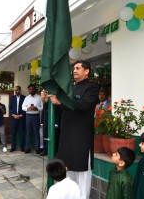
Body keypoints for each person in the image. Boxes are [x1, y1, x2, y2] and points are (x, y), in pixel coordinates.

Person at [48, 60, 99, 199]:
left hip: (81, 136)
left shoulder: (92, 88)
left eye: (78, 68)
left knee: (82, 173)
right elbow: (62, 108)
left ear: (87, 71)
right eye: (73, 68)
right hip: (67, 135)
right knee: (67, 170)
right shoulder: (70, 88)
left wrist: (62, 101)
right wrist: (50, 102)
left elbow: (84, 105)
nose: (74, 71)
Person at [22, 84, 43, 154]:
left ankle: (37, 148)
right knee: (28, 132)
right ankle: (28, 148)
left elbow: (42, 107)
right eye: (30, 89)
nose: (31, 90)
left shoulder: (39, 97)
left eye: (32, 89)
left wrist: (37, 108)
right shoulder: (27, 98)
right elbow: (23, 107)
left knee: (37, 132)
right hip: (28, 116)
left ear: (35, 89)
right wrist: (27, 108)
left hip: (36, 116)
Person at [41, 90, 61, 156]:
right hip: (46, 120)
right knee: (45, 135)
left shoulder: (57, 95)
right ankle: (46, 150)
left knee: (54, 136)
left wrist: (56, 123)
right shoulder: (46, 95)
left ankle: (54, 151)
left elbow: (58, 111)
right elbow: (44, 110)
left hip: (54, 120)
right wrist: (42, 122)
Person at [9, 86, 26, 152]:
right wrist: (13, 115)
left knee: (21, 133)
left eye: (17, 90)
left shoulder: (24, 98)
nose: (16, 91)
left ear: (20, 90)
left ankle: (22, 147)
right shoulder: (12, 98)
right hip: (13, 119)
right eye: (15, 90)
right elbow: (10, 108)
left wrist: (20, 115)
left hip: (21, 119)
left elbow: (25, 108)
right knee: (13, 133)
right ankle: (13, 147)